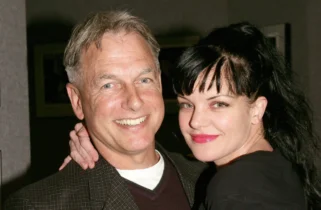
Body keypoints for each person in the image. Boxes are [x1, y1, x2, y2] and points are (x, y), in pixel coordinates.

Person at [63, 22, 321, 209]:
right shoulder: (276, 163)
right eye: (187, 104)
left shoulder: (235, 188)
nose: (196, 121)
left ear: (257, 109)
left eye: (218, 104)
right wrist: (98, 137)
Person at [5, 10, 208, 210]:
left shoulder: (211, 178)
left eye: (144, 80)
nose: (134, 101)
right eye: (109, 85)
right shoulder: (40, 205)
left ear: (160, 85)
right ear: (77, 101)